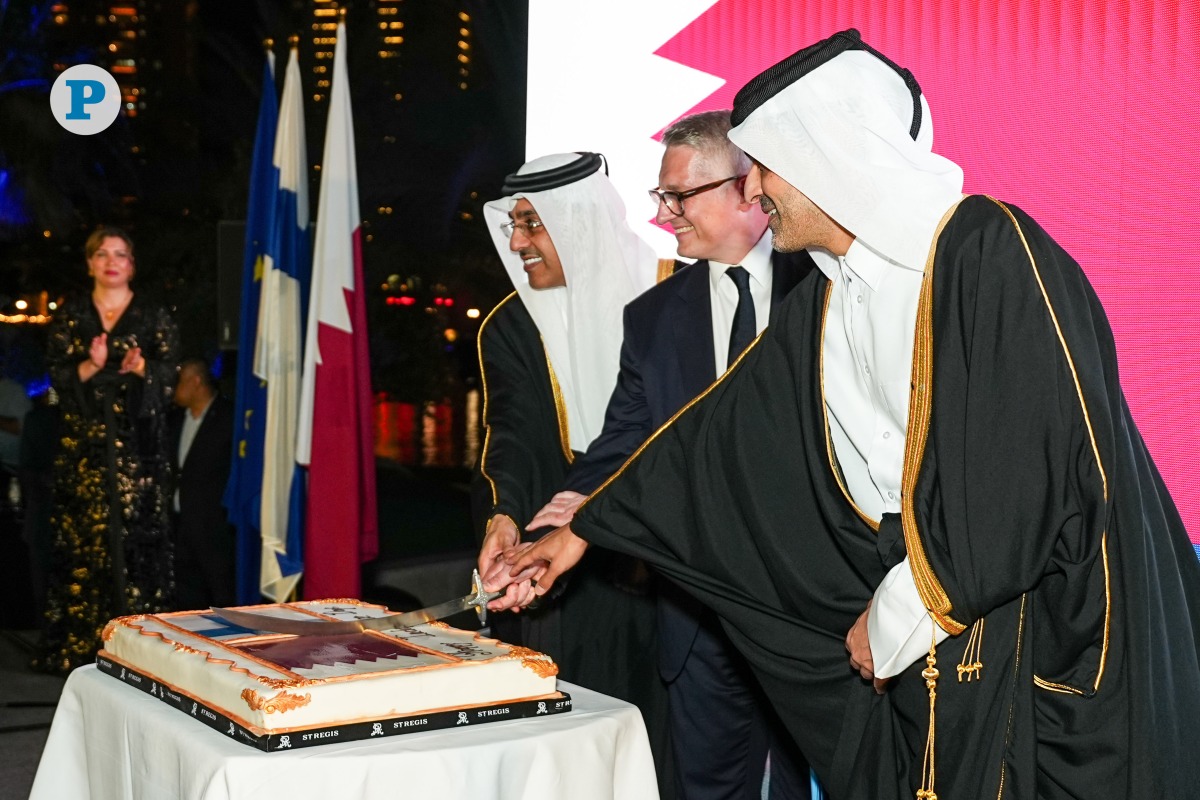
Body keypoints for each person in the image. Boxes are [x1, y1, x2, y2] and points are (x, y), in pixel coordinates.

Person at [508, 30, 1200, 800]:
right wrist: (586, 529)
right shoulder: (827, 301)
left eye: (765, 165)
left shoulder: (987, 250)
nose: (756, 190)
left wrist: (898, 615)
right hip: (931, 652)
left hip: (1039, 646)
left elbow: (1025, 483)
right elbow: (714, 442)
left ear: (825, 156)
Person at [521, 112, 813, 800]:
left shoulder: (825, 290)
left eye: (678, 196)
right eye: (661, 198)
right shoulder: (652, 317)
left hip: (813, 618)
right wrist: (557, 521)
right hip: (695, 621)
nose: (665, 215)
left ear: (747, 190)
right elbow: (622, 448)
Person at [471, 152, 672, 791]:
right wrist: (504, 519)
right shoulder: (511, 325)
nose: (517, 241)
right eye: (512, 225)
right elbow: (517, 436)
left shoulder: (676, 298)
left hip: (666, 566)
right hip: (557, 568)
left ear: (578, 223)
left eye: (531, 224)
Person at [40, 226, 180, 673]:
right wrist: (90, 365)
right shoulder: (71, 316)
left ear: (132, 264)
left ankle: (143, 651)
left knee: (139, 543)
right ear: (90, 263)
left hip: (139, 454)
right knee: (85, 545)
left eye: (120, 254)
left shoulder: (153, 315)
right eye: (102, 254)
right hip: (85, 453)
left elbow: (170, 377)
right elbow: (57, 383)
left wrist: (142, 369)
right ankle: (80, 649)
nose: (111, 261)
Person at [169, 357, 235, 610]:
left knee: (221, 594)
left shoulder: (227, 418)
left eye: (180, 382)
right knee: (187, 599)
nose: (174, 389)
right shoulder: (176, 420)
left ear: (196, 382)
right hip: (180, 526)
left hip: (214, 528)